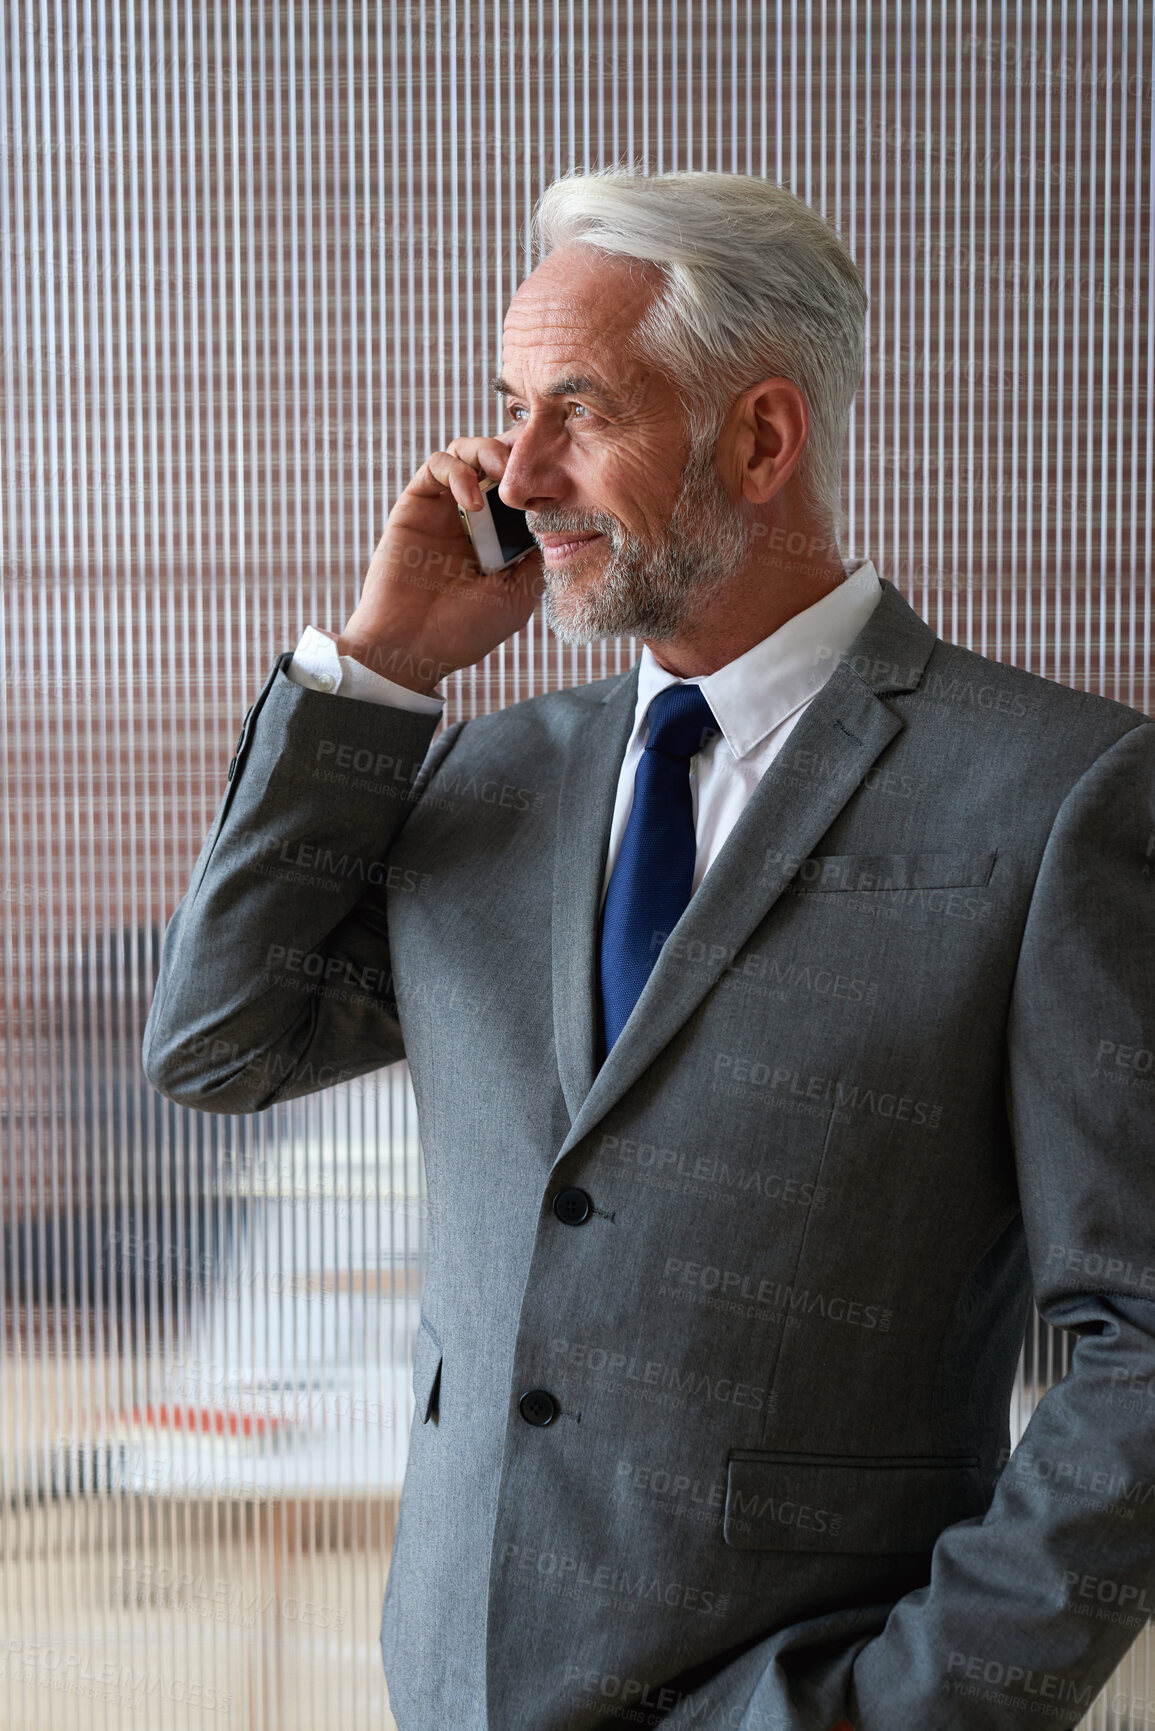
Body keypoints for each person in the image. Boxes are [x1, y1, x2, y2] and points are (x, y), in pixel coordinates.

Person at [142, 169, 1155, 1731]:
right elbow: (222, 1045)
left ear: (761, 437)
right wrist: (376, 675)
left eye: (579, 411)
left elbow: (1142, 1340)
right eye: (508, 407)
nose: (515, 475)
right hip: (460, 1689)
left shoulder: (1057, 794)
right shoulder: (481, 779)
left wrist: (926, 1707)